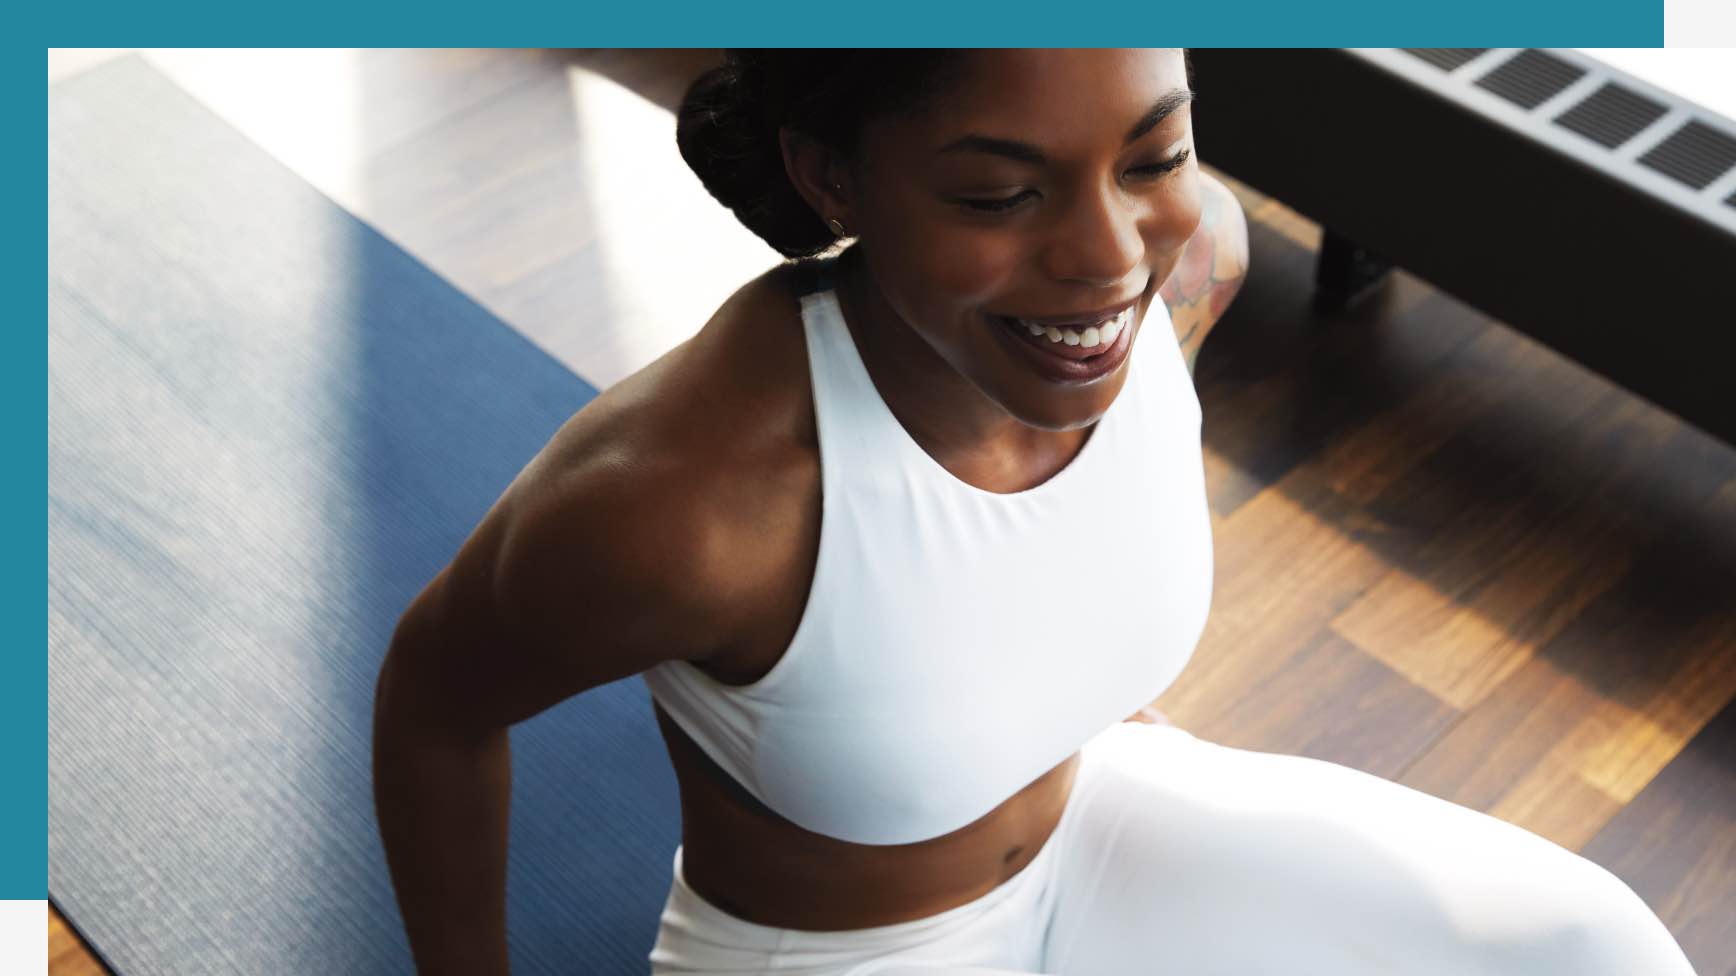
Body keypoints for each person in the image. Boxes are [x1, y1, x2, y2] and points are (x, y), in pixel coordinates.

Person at [372, 49, 1698, 975]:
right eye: (1002, 194)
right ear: (833, 176)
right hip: (852, 952)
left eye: (1154, 154)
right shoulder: (689, 501)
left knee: (1600, 948)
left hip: (1104, 825)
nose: (1110, 256)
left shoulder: (1191, 271)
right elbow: (433, 707)